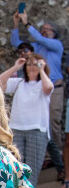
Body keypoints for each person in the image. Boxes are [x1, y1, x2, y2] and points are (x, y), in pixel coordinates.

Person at [11, 12, 65, 162]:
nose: (44, 30)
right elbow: (16, 43)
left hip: (54, 88)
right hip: (37, 90)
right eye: (43, 28)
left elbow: (41, 38)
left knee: (53, 124)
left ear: (54, 34)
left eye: (48, 29)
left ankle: (57, 158)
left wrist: (27, 23)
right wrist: (16, 23)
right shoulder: (36, 47)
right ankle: (47, 157)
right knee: (40, 126)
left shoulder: (56, 45)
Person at [0, 54, 53, 188]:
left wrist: (42, 69)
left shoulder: (42, 83)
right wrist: (15, 67)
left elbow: (48, 88)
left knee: (31, 171)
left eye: (35, 64)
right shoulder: (19, 83)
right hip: (17, 129)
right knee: (16, 168)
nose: (32, 67)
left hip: (37, 130)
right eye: (29, 64)